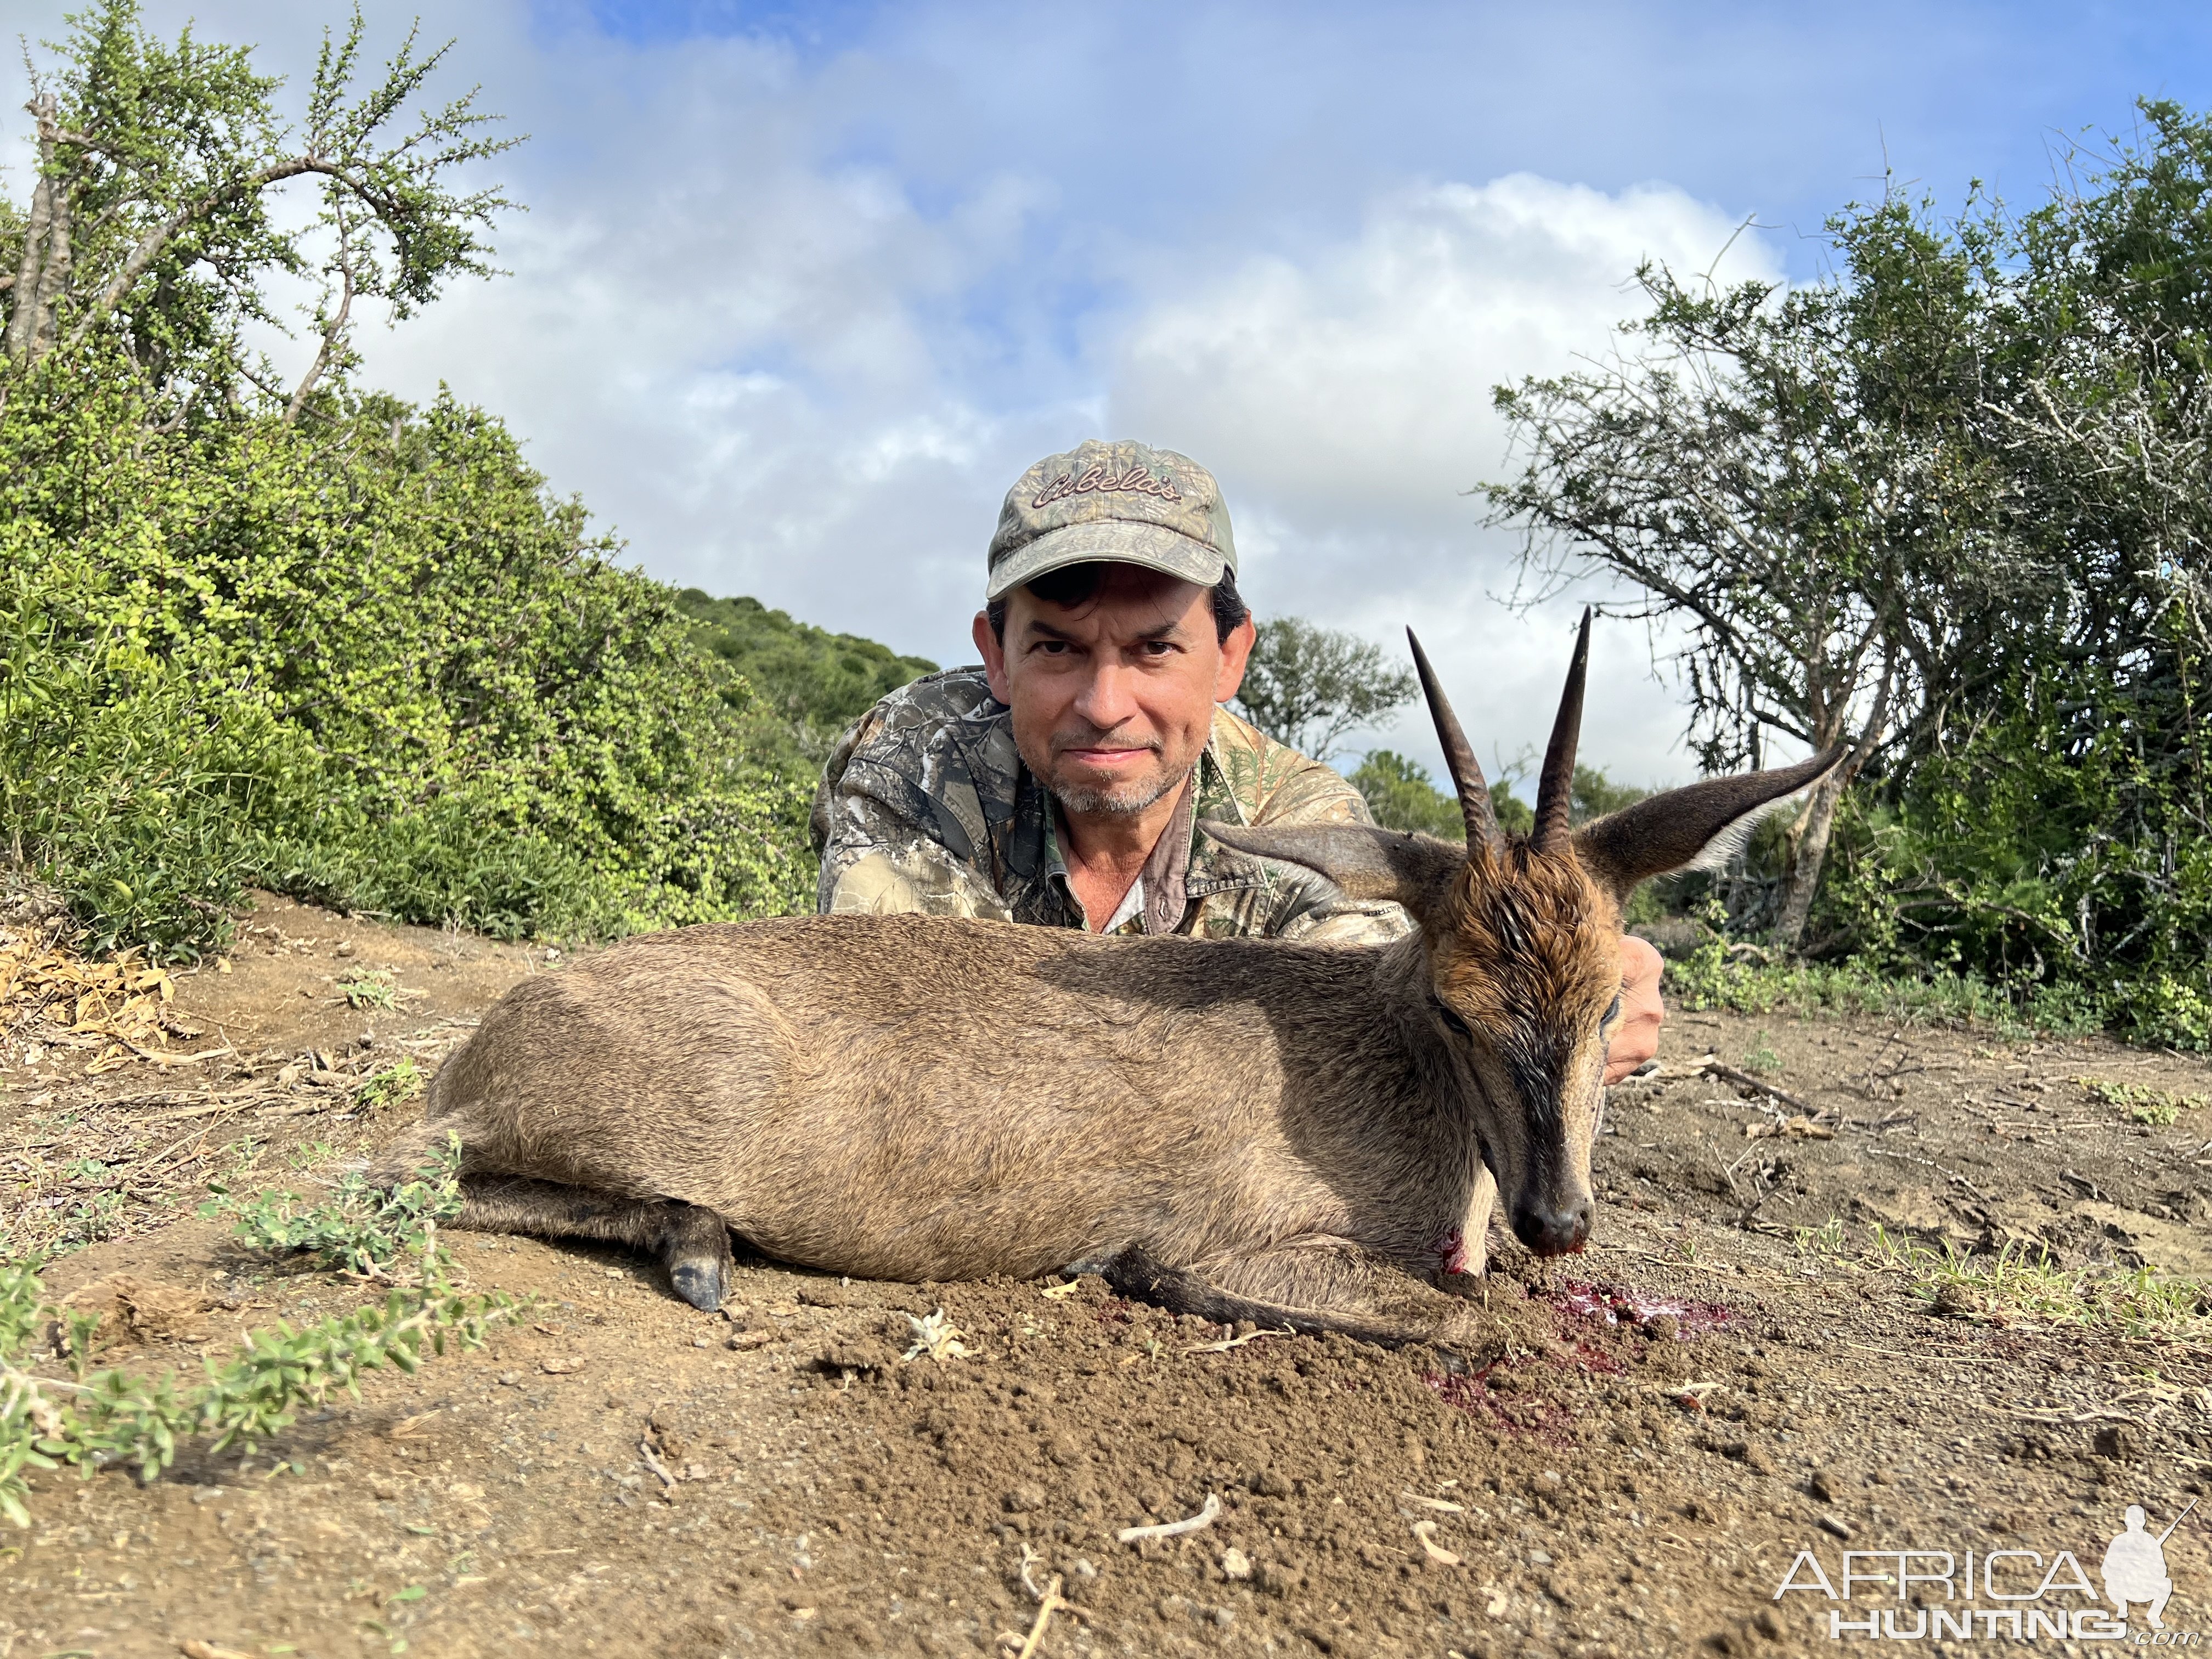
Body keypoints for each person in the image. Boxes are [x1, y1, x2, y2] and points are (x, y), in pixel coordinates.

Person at [811, 438, 1664, 1081]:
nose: (1105, 706)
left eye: (1155, 650)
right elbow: (897, 1046)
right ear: (995, 656)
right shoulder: (918, 758)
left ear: (1230, 657)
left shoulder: (1304, 825)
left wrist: (1562, 1005)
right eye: (1059, 650)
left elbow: (1371, 1069)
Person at [2101, 1505, 2174, 1629]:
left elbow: (2162, 1571)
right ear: (2144, 1522)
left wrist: (2145, 1569)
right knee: (2166, 1583)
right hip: (2124, 1588)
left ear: (2126, 1521)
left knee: (2166, 1583)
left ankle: (2152, 1615)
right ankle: (2122, 1606)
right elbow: (2106, 1570)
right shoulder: (2121, 1541)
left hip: (2141, 1589)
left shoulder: (2147, 1542)